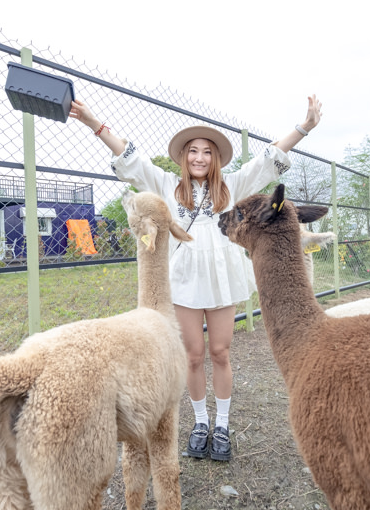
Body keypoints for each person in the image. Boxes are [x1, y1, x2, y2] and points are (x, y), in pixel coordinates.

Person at [69, 95, 322, 461]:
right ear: (184, 157)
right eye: (193, 151)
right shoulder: (167, 185)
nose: (200, 157)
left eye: (206, 151)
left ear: (215, 158)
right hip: (183, 278)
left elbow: (268, 161)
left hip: (222, 277)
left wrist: (304, 128)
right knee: (192, 355)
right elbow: (131, 160)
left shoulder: (232, 186)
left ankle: (222, 424)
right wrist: (94, 122)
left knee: (220, 352)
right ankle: (200, 422)